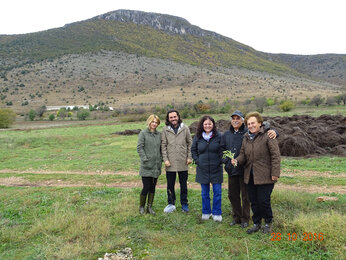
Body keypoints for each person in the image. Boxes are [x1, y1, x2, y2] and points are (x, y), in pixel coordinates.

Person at [222, 110, 277, 228]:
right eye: (249, 124)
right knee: (249, 199)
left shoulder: (264, 135)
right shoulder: (245, 137)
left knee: (261, 200)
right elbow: (242, 153)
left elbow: (275, 156)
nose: (251, 125)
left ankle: (265, 222)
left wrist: (275, 173)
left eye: (253, 123)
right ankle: (254, 222)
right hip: (244, 172)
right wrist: (235, 161)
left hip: (259, 173)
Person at [191, 116, 223, 222]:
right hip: (202, 169)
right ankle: (206, 212)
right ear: (202, 125)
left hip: (216, 169)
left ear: (213, 125)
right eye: (205, 124)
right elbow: (193, 149)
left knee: (217, 192)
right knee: (204, 193)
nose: (208, 126)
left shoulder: (219, 136)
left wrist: (220, 160)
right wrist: (197, 160)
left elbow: (223, 149)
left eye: (210, 124)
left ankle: (217, 213)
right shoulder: (198, 137)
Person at [161, 109, 193, 213]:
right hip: (170, 163)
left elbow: (190, 143)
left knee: (183, 185)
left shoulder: (185, 128)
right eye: (171, 117)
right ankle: (171, 203)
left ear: (178, 117)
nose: (173, 119)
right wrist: (165, 159)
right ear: (168, 119)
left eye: (175, 117)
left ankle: (184, 204)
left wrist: (189, 157)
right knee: (170, 185)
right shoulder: (165, 130)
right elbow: (163, 145)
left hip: (183, 161)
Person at [137, 114, 162, 215]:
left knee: (153, 187)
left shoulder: (159, 135)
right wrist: (145, 159)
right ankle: (141, 207)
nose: (154, 124)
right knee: (146, 186)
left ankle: (149, 207)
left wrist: (161, 159)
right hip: (147, 165)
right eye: (153, 122)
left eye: (156, 122)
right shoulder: (143, 133)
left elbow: (161, 148)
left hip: (156, 165)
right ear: (149, 122)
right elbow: (140, 147)